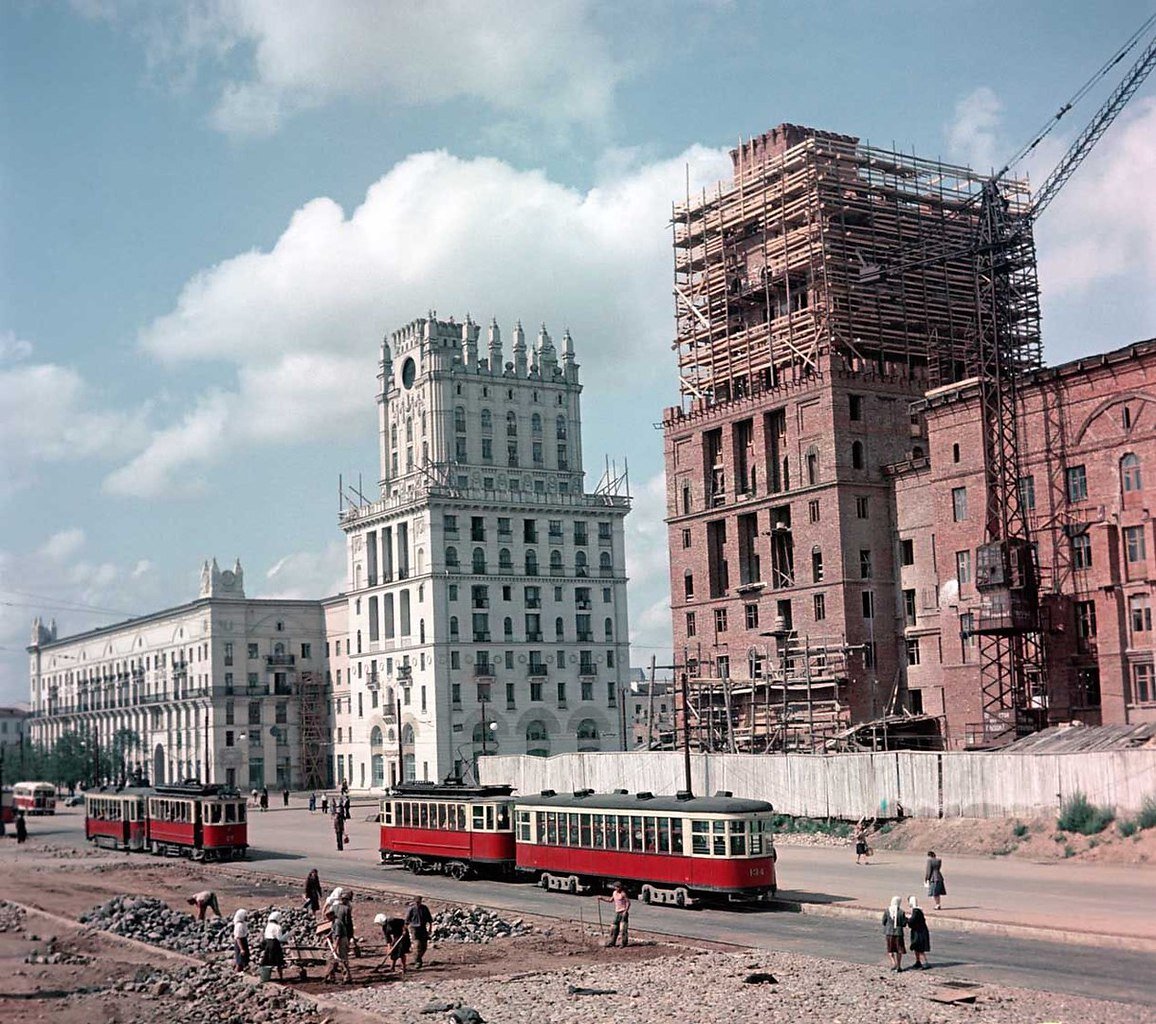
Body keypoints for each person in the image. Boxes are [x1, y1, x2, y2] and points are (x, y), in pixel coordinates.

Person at [324, 891, 354, 984]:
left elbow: (333, 924)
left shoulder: (334, 907)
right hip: (341, 936)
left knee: (335, 957)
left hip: (338, 936)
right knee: (341, 957)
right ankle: (344, 977)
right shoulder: (346, 909)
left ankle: (333, 976)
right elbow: (349, 924)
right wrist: (350, 937)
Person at [405, 894, 433, 968]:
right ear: (414, 902)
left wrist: (430, 929)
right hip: (414, 929)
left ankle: (418, 958)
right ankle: (417, 962)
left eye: (419, 902)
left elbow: (430, 920)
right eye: (416, 902)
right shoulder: (411, 909)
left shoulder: (424, 908)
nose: (418, 903)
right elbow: (407, 921)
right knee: (417, 946)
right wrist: (405, 929)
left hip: (423, 928)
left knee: (424, 946)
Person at [598, 881, 630, 947]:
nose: (617, 888)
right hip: (617, 912)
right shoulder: (614, 893)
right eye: (616, 887)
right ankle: (612, 942)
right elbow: (610, 900)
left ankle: (623, 943)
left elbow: (628, 903)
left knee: (623, 929)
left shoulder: (623, 894)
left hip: (623, 912)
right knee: (614, 928)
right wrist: (602, 898)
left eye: (618, 887)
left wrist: (625, 911)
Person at [882, 895, 907, 972]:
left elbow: (883, 921)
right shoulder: (901, 912)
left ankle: (893, 963)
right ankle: (899, 966)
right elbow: (903, 923)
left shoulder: (887, 911)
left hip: (889, 932)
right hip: (899, 933)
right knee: (899, 950)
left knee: (890, 949)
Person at [907, 895, 930, 969]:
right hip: (918, 931)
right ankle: (918, 961)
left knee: (919, 948)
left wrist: (907, 920)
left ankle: (925, 962)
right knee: (916, 947)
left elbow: (912, 920)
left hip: (919, 932)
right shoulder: (917, 910)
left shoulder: (916, 911)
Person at [261, 910, 286, 981]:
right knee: (279, 962)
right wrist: (288, 935)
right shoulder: (277, 927)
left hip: (268, 944)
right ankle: (281, 977)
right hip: (275, 944)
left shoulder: (268, 926)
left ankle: (265, 977)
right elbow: (280, 938)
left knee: (267, 961)